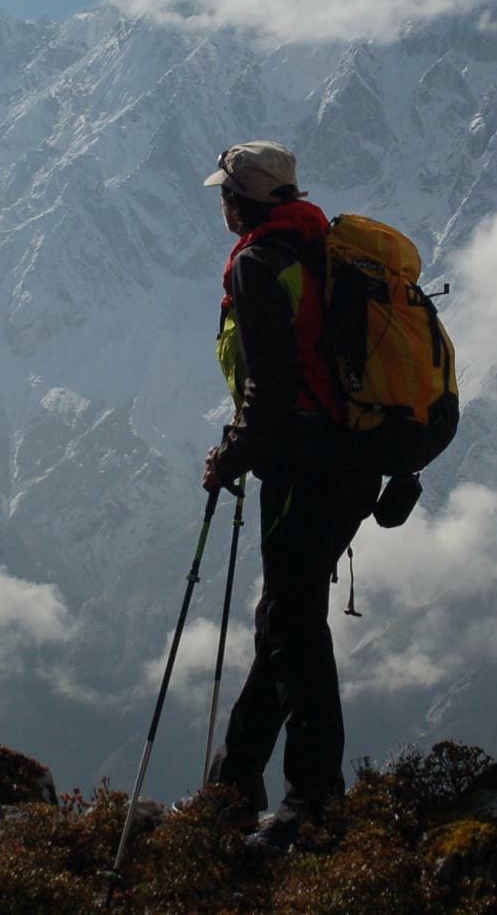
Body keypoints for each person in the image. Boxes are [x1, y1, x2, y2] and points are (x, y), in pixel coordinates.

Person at [199, 140, 378, 856]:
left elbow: (269, 393)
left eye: (226, 193)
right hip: (356, 461)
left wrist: (230, 457)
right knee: (285, 618)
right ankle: (233, 787)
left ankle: (313, 802)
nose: (221, 203)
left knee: (295, 628)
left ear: (243, 199)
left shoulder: (257, 264)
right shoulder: (324, 248)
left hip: (304, 466)